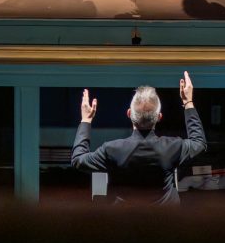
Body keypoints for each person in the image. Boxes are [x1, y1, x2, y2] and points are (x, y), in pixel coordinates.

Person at [70, 73, 206, 205]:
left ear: (129, 114)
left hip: (122, 219)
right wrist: (188, 102)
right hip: (166, 219)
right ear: (159, 117)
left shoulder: (112, 149)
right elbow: (199, 143)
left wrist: (85, 120)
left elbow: (78, 160)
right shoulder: (173, 147)